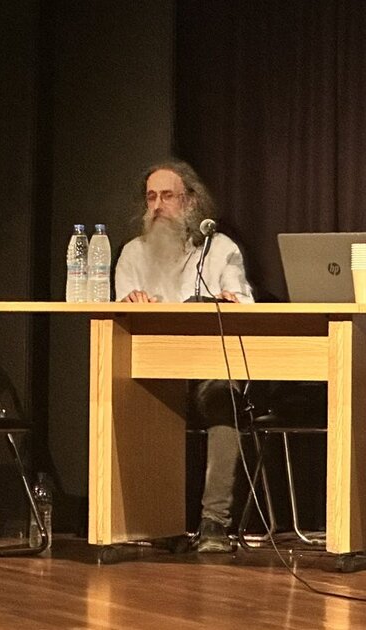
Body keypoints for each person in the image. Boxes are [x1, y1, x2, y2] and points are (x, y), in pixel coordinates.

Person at [114, 159, 253, 553]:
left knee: (223, 396)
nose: (158, 206)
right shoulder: (133, 254)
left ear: (190, 202)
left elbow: (243, 301)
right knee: (124, 396)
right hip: (154, 371)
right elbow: (120, 314)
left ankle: (214, 523)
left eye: (167, 196)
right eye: (151, 197)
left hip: (209, 368)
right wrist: (131, 302)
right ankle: (148, 521)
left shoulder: (219, 248)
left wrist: (230, 300)